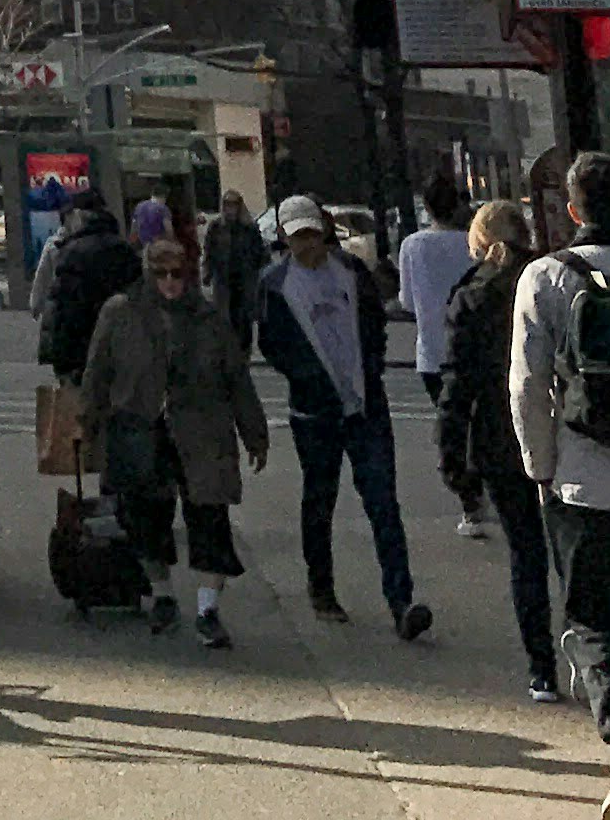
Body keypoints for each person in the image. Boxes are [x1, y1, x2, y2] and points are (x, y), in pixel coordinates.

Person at [512, 147, 610, 820]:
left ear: (572, 212)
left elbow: (527, 385)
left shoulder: (546, 276)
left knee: (594, 620)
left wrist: (541, 467)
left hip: (584, 483)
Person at [77, 235, 270, 647]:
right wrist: (87, 427)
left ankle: (207, 610)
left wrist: (255, 433)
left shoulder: (208, 318)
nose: (170, 282)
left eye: (177, 274)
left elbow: (237, 379)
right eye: (161, 273)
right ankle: (163, 594)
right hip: (140, 428)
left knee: (210, 517)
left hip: (202, 431)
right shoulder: (121, 312)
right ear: (148, 274)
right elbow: (97, 373)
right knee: (144, 517)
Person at [256, 194, 429, 638]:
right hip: (314, 412)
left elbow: (373, 321)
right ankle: (322, 588)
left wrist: (370, 366)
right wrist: (304, 377)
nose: (307, 245)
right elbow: (272, 344)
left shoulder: (350, 271)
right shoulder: (275, 284)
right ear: (284, 238)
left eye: (312, 235)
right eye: (298, 237)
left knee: (382, 502)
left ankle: (401, 600)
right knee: (320, 499)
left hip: (364, 405)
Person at [437, 199, 559, 703]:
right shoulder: (552, 279)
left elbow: (456, 385)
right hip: (560, 432)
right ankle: (590, 652)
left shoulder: (473, 295)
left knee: (526, 553)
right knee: (573, 552)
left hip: (499, 436)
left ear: (480, 242)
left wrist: (452, 456)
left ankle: (541, 668)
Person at [37, 200, 142, 388]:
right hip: (118, 343)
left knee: (82, 398)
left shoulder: (73, 251)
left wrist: (59, 358)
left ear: (80, 217)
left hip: (79, 343)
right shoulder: (123, 249)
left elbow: (62, 306)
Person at [396, 173, 475, 422]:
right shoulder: (472, 243)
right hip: (469, 349)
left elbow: (407, 302)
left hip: (430, 354)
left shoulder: (411, 245)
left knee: (447, 421)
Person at [201, 191, 268, 349]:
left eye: (234, 204)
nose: (230, 208)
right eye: (227, 204)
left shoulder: (249, 228)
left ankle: (243, 352)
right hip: (223, 280)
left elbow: (260, 254)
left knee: (244, 321)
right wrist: (207, 272)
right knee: (224, 320)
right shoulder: (216, 227)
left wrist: (261, 276)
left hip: (245, 281)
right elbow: (209, 250)